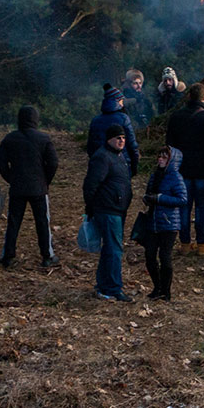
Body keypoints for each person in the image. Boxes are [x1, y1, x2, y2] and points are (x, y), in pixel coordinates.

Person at [0, 104, 60, 269]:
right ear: (36, 120)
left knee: (13, 222)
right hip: (39, 187)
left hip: (18, 187)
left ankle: (8, 256)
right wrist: (46, 180)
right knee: (42, 223)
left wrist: (11, 178)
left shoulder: (10, 139)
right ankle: (47, 256)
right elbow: (53, 162)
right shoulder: (44, 139)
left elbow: (1, 163)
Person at [165, 83, 204, 255]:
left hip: (182, 170)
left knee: (184, 207)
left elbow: (169, 144)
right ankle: (202, 244)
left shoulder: (176, 116)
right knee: (201, 207)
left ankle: (185, 244)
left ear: (188, 96)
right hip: (202, 171)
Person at [83, 122, 133, 301]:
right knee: (114, 250)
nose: (121, 141)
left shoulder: (118, 156)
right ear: (109, 139)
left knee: (110, 249)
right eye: (117, 138)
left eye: (123, 138)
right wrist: (91, 207)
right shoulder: (103, 157)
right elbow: (91, 184)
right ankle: (112, 288)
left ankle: (104, 286)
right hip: (107, 209)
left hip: (116, 209)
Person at [142, 145, 187, 301]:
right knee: (149, 256)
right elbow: (149, 193)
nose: (160, 159)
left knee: (165, 257)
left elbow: (182, 199)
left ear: (171, 160)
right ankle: (157, 286)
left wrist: (160, 198)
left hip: (169, 223)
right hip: (152, 220)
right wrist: (147, 198)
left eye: (164, 157)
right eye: (159, 156)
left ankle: (165, 291)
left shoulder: (176, 177)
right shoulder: (155, 176)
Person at [86, 84, 139, 174]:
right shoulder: (123, 118)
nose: (123, 103)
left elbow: (90, 147)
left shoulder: (95, 120)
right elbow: (132, 144)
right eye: (122, 100)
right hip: (121, 163)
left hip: (100, 164)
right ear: (117, 101)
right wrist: (134, 164)